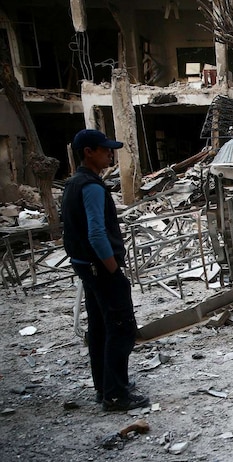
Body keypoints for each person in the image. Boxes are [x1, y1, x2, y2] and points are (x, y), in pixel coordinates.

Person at [62, 129, 150, 412]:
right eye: (104, 149)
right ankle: (115, 395)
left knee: (100, 327)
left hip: (86, 267)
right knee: (121, 328)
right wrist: (114, 270)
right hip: (100, 267)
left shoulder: (74, 183)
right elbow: (97, 234)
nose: (110, 154)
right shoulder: (91, 187)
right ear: (89, 152)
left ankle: (105, 386)